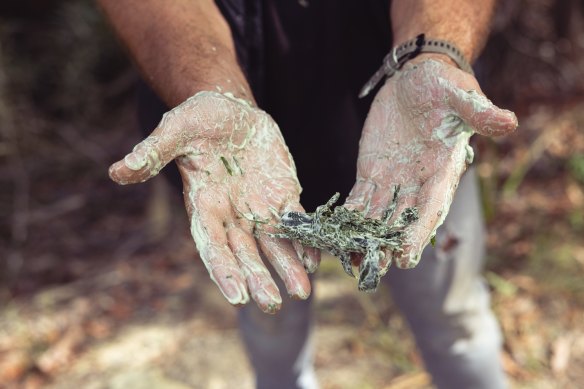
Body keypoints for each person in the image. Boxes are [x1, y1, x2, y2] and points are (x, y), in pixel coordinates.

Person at [98, 1, 518, 388]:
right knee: (271, 324)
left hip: (413, 152)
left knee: (454, 318)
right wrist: (208, 86)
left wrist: (433, 51)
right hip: (244, 175)